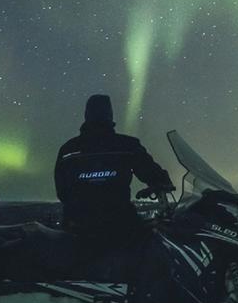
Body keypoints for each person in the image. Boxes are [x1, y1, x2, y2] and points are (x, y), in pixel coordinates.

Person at [54, 94, 174, 243]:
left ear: (86, 114)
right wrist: (162, 181)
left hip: (77, 225)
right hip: (120, 223)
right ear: (110, 114)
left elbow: (62, 191)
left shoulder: (68, 149)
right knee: (154, 246)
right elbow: (151, 172)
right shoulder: (126, 146)